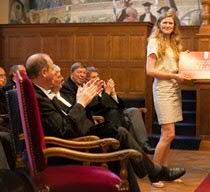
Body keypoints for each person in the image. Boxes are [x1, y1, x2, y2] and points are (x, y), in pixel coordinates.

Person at [25, 53, 186, 191]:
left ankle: (154, 172)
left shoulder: (39, 93)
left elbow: (63, 121)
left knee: (120, 138)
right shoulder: (38, 97)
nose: (57, 72)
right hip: (70, 146)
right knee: (121, 142)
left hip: (76, 136)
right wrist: (81, 103)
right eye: (53, 68)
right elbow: (63, 129)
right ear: (45, 72)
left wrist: (83, 101)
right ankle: (154, 172)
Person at [146, 10, 191, 188]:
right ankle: (154, 174)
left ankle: (164, 172)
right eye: (164, 23)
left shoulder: (174, 43)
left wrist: (187, 59)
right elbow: (150, 71)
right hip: (163, 89)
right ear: (159, 25)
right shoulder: (153, 42)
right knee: (168, 133)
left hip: (174, 88)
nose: (167, 26)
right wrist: (174, 76)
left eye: (170, 23)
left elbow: (176, 67)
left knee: (169, 136)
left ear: (174, 27)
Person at [86, 66, 155, 154]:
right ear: (88, 80)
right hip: (106, 116)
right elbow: (99, 107)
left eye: (98, 76)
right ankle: (126, 147)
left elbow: (121, 106)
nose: (98, 79)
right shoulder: (89, 91)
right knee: (116, 114)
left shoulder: (103, 89)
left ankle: (144, 145)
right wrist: (107, 92)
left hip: (118, 112)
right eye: (94, 77)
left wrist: (113, 93)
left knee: (134, 110)